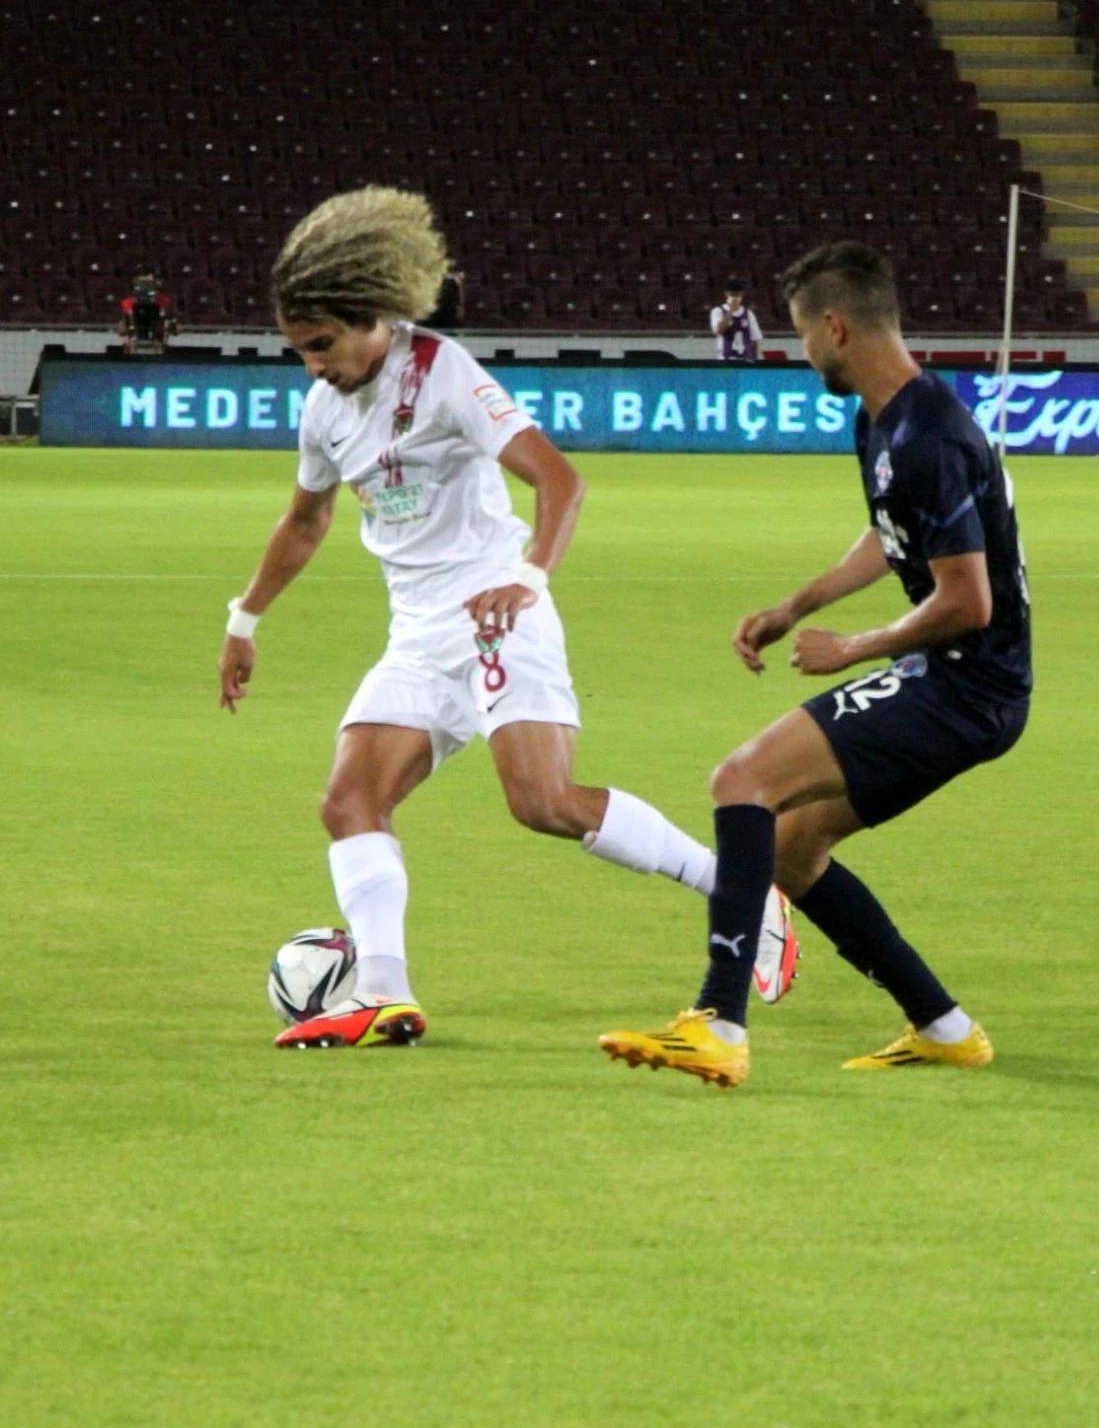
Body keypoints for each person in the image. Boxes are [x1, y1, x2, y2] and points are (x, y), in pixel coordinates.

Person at [218, 186, 796, 1049]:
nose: (311, 365)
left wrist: (528, 577)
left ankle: (740, 891)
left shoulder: (442, 371)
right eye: (298, 349)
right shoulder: (324, 409)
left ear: (375, 317)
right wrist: (245, 619)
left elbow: (560, 481)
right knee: (348, 801)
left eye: (322, 344)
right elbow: (306, 521)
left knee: (546, 803)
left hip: (497, 614)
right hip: (417, 633)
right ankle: (384, 991)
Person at [600, 241, 1031, 1088]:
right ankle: (944, 1026)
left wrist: (852, 648)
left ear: (835, 327)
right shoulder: (885, 418)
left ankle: (718, 1021)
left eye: (802, 336)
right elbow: (891, 534)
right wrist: (798, 606)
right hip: (956, 679)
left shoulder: (928, 434)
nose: (801, 354)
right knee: (792, 849)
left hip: (966, 685)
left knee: (743, 780)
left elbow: (968, 601)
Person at [116, 267, 178, 353]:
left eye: (149, 283)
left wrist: (171, 328)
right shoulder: (126, 303)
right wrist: (125, 334)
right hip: (133, 348)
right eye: (142, 282)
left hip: (158, 348)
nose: (145, 285)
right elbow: (121, 329)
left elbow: (174, 328)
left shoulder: (166, 301)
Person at [709, 282, 762, 363]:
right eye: (732, 294)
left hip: (745, 359)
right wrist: (731, 311)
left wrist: (755, 360)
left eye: (738, 295)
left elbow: (755, 338)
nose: (735, 297)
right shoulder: (717, 311)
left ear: (742, 295)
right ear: (726, 294)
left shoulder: (748, 313)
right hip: (725, 358)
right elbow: (719, 330)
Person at [421, 261, 465, 332]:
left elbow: (457, 300)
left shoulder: (452, 283)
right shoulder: (428, 282)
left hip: (447, 315)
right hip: (433, 315)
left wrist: (459, 307)